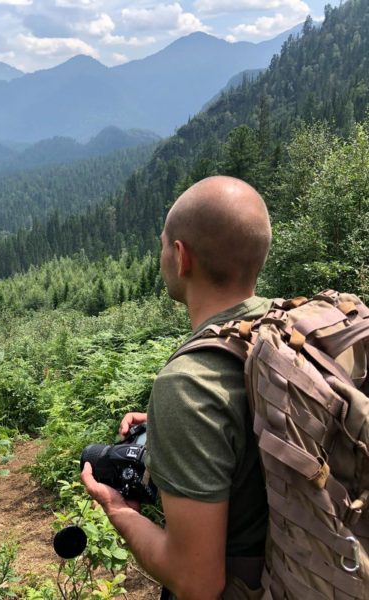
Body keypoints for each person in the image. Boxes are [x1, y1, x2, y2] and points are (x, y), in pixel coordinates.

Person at [81, 175, 273, 599]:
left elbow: (197, 582)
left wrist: (117, 510)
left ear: (181, 257)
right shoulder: (288, 331)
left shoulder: (189, 385)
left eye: (164, 243)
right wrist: (176, 426)